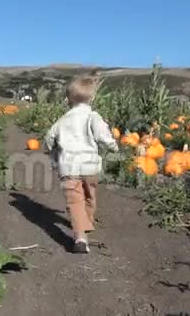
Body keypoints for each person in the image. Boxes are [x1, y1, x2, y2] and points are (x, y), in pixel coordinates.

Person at [44, 76, 119, 253]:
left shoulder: (62, 120)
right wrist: (113, 146)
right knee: (89, 197)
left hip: (68, 168)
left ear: (68, 99)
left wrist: (50, 151)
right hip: (90, 167)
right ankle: (85, 228)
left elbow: (48, 138)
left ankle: (80, 236)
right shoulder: (93, 116)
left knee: (74, 201)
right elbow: (103, 136)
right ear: (92, 98)